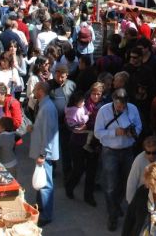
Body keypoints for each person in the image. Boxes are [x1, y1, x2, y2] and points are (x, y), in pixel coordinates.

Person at [94, 89, 143, 231]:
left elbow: (139, 126)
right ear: (113, 101)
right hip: (110, 151)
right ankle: (112, 215)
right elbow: (98, 132)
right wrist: (115, 132)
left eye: (123, 106)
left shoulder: (133, 109)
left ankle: (116, 205)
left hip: (127, 150)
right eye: (118, 105)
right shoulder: (104, 111)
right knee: (110, 185)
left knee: (126, 181)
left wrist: (132, 132)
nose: (120, 108)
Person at [65, 82, 104, 207]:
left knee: (91, 171)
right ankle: (69, 187)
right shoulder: (82, 103)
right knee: (78, 168)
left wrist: (87, 126)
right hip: (78, 142)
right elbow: (70, 121)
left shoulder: (105, 106)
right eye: (94, 93)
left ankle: (89, 196)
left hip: (94, 143)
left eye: (99, 94)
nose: (96, 96)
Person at [29, 81, 59, 227]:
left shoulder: (47, 108)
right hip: (42, 151)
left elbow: (49, 133)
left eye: (35, 89)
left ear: (40, 91)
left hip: (44, 153)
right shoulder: (44, 105)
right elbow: (43, 129)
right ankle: (40, 208)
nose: (33, 91)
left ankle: (46, 215)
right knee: (42, 182)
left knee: (46, 184)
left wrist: (43, 154)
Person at [123, 162, 156, 236]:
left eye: (151, 184)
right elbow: (130, 218)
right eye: (148, 184)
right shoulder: (143, 191)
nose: (147, 187)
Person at [126, 136, 156, 205]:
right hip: (141, 194)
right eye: (148, 152)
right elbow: (132, 182)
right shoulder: (139, 161)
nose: (151, 155)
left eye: (154, 152)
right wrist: (131, 203)